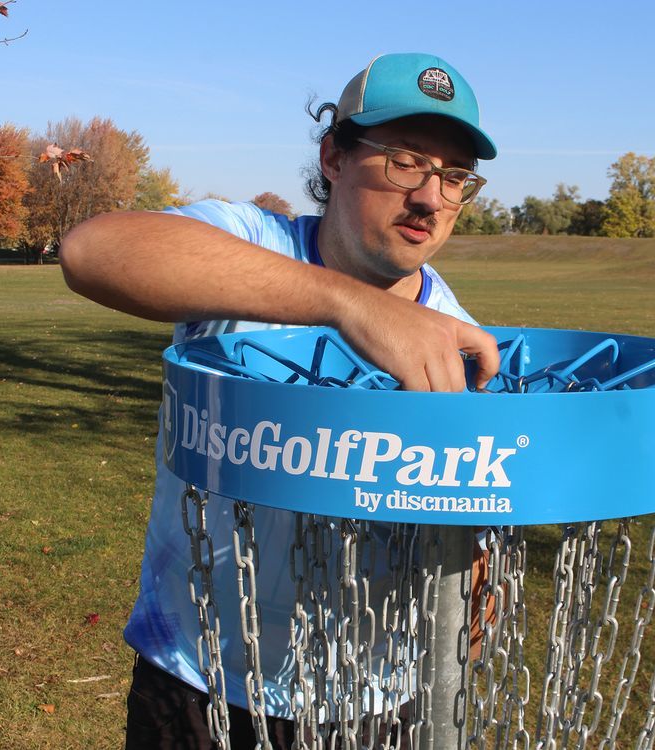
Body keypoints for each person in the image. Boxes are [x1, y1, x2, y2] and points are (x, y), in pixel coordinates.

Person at [60, 51, 500, 749]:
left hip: (373, 701)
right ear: (333, 157)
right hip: (199, 681)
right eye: (405, 161)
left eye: (453, 177)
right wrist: (345, 305)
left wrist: (476, 570)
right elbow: (93, 252)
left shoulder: (458, 336)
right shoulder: (251, 243)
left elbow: (464, 497)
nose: (430, 197)